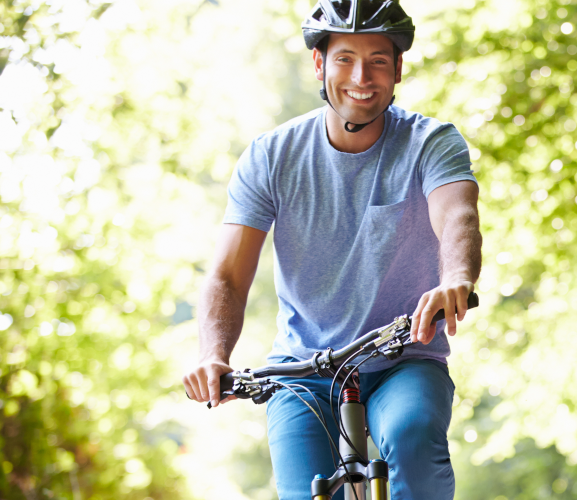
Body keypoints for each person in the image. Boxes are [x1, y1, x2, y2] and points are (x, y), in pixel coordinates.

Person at [181, 1, 481, 498]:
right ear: (319, 65)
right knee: (307, 491)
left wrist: (457, 279)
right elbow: (228, 276)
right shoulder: (271, 157)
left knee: (412, 439)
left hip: (403, 357)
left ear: (398, 68)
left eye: (378, 60)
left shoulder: (431, 142)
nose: (362, 76)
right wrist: (214, 355)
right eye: (345, 58)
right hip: (302, 369)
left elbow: (458, 217)